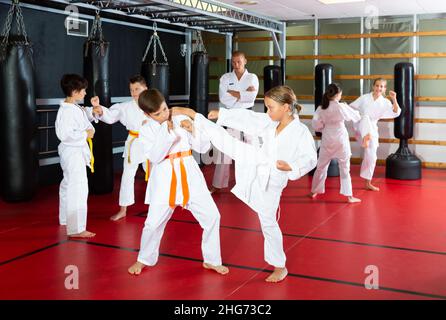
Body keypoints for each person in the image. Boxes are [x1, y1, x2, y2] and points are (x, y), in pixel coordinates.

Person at [172, 86, 317, 283]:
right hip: (257, 160)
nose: (267, 112)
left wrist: (292, 166)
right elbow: (247, 118)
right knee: (227, 143)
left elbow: (310, 158)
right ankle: (196, 117)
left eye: (270, 107)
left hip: (274, 178)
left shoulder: (300, 132)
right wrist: (223, 114)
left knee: (267, 221)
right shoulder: (269, 121)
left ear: (285, 107)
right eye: (266, 107)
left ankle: (280, 266)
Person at [127, 89, 229, 276]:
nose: (164, 114)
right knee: (153, 224)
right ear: (147, 114)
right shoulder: (146, 129)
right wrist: (167, 134)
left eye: (165, 108)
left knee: (212, 216)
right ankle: (144, 259)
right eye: (158, 114)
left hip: (189, 173)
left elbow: (203, 147)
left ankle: (212, 260)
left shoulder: (179, 117)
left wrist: (193, 130)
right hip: (164, 177)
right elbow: (155, 157)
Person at [92, 75, 148, 221]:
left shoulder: (153, 105)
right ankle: (123, 209)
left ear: (145, 89)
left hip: (151, 142)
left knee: (156, 175)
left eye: (137, 89)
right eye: (131, 90)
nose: (134, 92)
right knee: (128, 175)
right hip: (134, 142)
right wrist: (100, 110)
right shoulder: (125, 107)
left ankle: (157, 206)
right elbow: (110, 116)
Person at [55, 74, 99, 238]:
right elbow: (65, 134)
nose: (85, 93)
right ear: (74, 92)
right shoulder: (67, 111)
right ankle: (76, 229)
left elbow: (83, 115)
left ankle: (65, 219)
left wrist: (93, 110)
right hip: (73, 152)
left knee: (68, 185)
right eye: (83, 90)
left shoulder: (72, 107)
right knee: (78, 188)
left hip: (73, 151)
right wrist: (85, 134)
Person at [211, 51, 259, 193]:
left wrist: (234, 93)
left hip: (247, 115)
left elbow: (251, 97)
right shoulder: (226, 77)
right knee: (225, 149)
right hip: (230, 115)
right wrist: (243, 93)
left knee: (250, 149)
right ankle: (217, 184)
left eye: (239, 61)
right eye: (234, 62)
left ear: (245, 61)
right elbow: (223, 98)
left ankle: (251, 183)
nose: (236, 65)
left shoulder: (252, 77)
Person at [309, 83, 361, 203]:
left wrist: (323, 127)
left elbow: (316, 125)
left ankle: (314, 191)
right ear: (338, 94)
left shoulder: (321, 108)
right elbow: (356, 117)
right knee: (344, 168)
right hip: (340, 138)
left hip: (327, 137)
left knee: (321, 166)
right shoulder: (341, 106)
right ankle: (349, 196)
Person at [350, 78, 401, 191]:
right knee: (366, 118)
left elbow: (396, 112)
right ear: (373, 86)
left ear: (384, 89)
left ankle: (368, 182)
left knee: (372, 156)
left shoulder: (385, 102)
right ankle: (365, 136)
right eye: (377, 85)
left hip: (372, 129)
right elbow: (351, 108)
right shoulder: (364, 98)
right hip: (360, 125)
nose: (379, 88)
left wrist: (394, 99)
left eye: (382, 86)